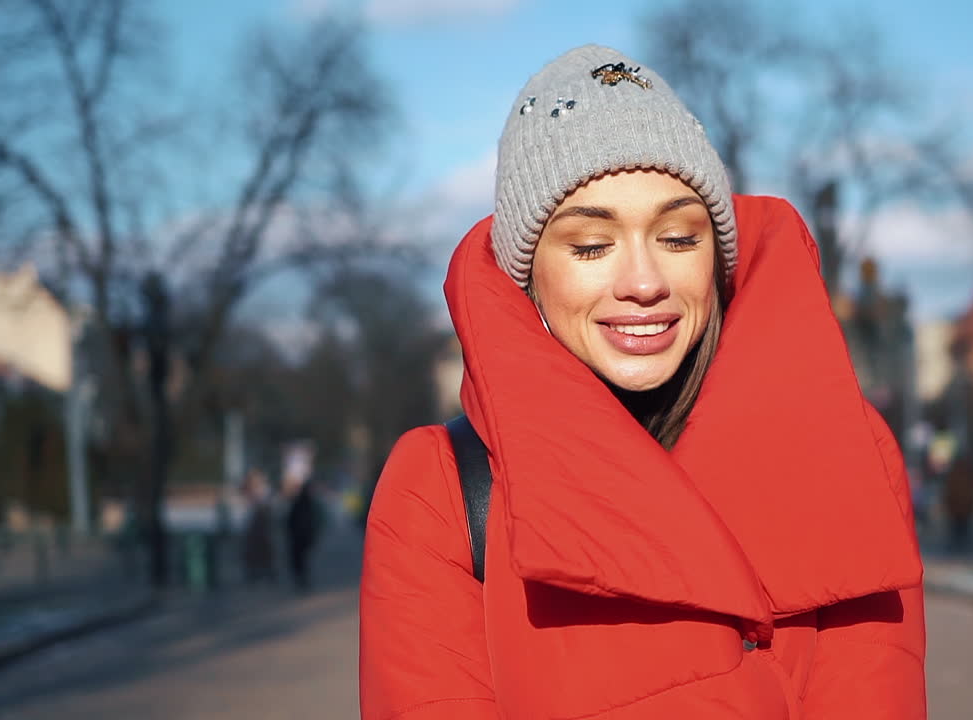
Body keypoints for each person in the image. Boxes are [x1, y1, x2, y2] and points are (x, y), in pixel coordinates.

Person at [359, 45, 925, 719]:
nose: (644, 283)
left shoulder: (849, 454)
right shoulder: (442, 491)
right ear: (527, 275)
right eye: (592, 246)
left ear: (716, 258)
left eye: (679, 237)